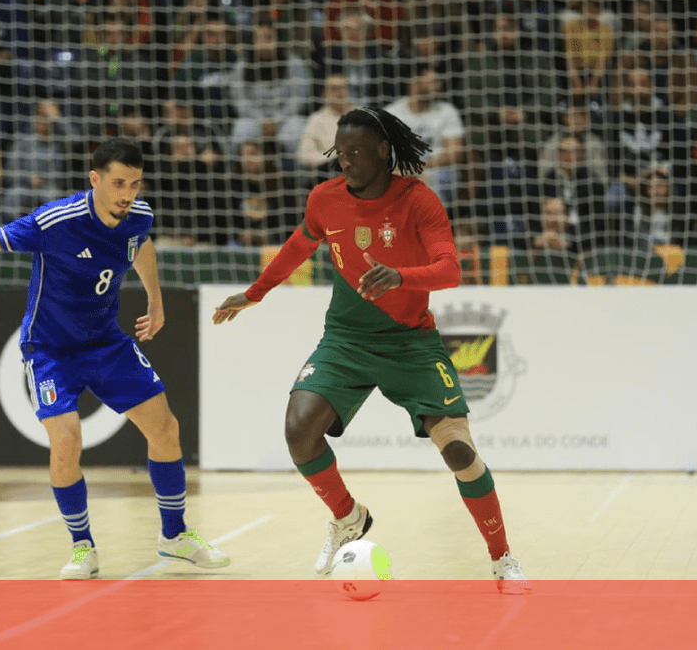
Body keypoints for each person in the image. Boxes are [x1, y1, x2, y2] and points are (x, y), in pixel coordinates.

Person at [211, 108, 529, 593]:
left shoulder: (418, 200)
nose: (346, 162)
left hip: (410, 343)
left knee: (461, 451)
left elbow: (451, 271)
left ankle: (502, 557)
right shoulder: (325, 198)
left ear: (384, 151)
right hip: (346, 339)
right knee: (299, 430)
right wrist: (255, 292)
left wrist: (402, 276)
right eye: (340, 153)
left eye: (356, 152)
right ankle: (348, 517)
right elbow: (299, 245)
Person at [0, 137, 229, 579]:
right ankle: (83, 546)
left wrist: (155, 298)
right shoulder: (57, 220)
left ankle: (175, 536)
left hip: (106, 342)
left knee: (166, 428)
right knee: (66, 441)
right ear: (95, 179)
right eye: (119, 183)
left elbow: (140, 244)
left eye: (136, 183)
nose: (128, 193)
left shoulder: (138, 215)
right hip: (50, 349)